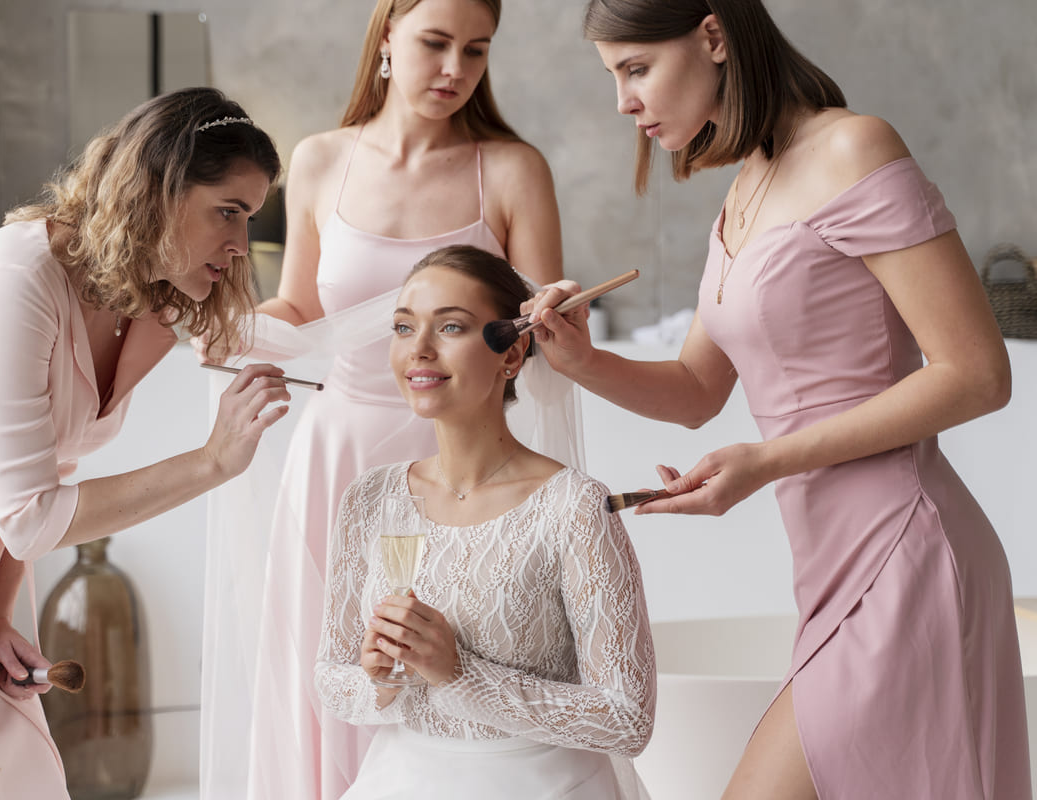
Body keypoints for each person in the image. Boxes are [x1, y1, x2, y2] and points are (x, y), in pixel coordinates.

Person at [525, 1, 1030, 798]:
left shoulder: (853, 147)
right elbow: (696, 392)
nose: (623, 102)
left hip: (904, 553)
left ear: (713, 35)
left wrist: (766, 461)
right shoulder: (744, 190)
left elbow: (975, 373)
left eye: (635, 69)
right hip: (828, 566)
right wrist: (578, 358)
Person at [0, 87, 290, 799]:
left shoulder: (150, 307)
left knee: (15, 778)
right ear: (160, 191)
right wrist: (211, 461)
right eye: (227, 211)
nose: (240, 245)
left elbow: (43, 478)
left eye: (250, 217)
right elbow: (32, 514)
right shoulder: (15, 281)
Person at [206, 1, 564, 797]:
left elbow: (535, 336)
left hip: (452, 456)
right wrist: (230, 326)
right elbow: (301, 306)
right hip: (337, 452)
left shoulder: (510, 169)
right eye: (435, 43)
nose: (454, 70)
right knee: (329, 663)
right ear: (387, 38)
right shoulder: (321, 159)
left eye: (475, 51)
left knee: (440, 657)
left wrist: (544, 320)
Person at [316, 245, 654, 800]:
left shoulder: (573, 507)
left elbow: (627, 719)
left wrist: (458, 673)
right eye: (403, 327)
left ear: (512, 354)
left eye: (450, 326)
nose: (418, 350)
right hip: (398, 781)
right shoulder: (370, 498)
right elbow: (332, 680)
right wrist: (377, 677)